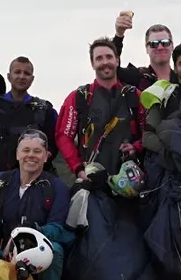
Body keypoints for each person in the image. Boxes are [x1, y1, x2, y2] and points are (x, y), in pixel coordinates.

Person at [0, 129, 74, 280]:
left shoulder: (57, 187)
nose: (31, 155)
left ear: (46, 156)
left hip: (40, 252)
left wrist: (29, 238)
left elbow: (57, 227)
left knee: (56, 251)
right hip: (5, 253)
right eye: (26, 150)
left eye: (37, 151)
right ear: (17, 154)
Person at [55, 37, 146, 180]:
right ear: (92, 63)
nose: (105, 62)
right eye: (99, 58)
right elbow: (63, 136)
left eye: (109, 57)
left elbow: (150, 131)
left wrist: (136, 147)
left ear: (117, 60)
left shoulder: (134, 95)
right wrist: (78, 168)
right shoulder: (79, 97)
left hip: (129, 181)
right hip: (91, 180)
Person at [0, 59, 59, 185]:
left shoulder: (44, 111)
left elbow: (53, 144)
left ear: (32, 79)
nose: (22, 76)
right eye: (17, 72)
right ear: (9, 76)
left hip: (31, 183)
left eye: (26, 73)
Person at [111, 11, 177, 90]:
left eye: (165, 43)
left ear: (172, 46)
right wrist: (119, 35)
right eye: (154, 44)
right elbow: (112, 70)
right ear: (146, 48)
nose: (160, 47)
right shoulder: (137, 77)